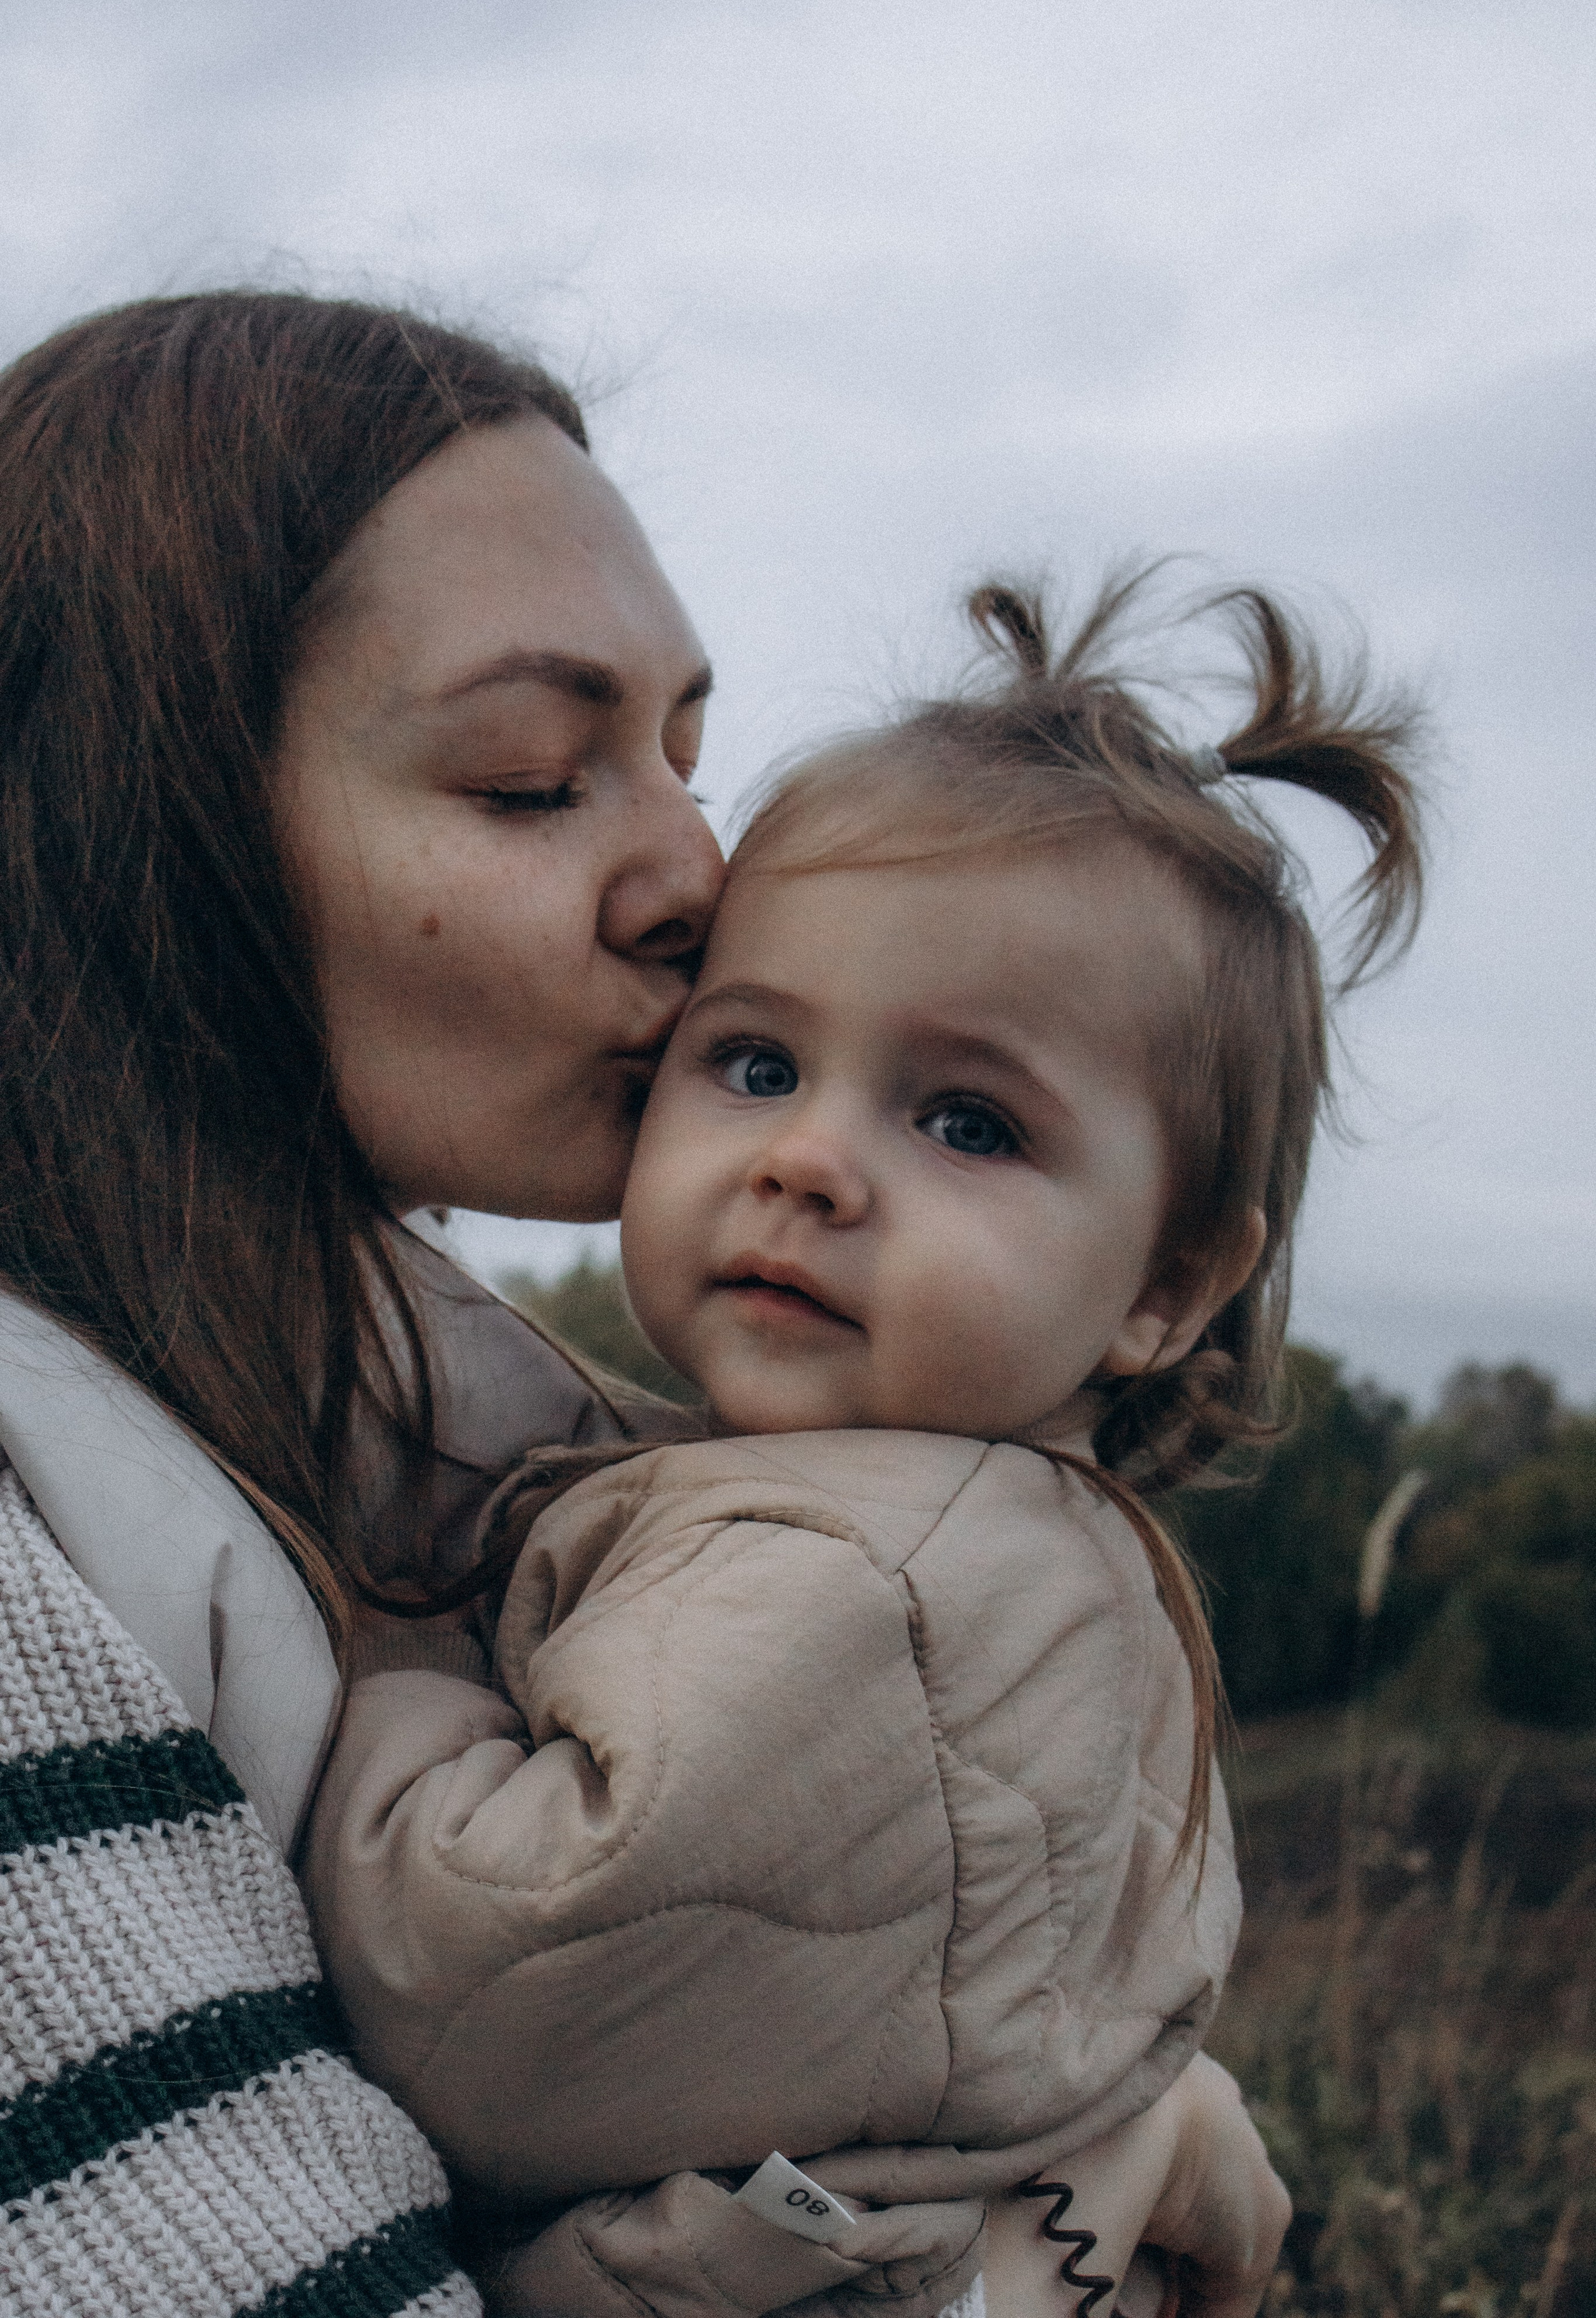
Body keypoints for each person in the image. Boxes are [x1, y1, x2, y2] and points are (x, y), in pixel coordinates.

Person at [0, 289, 1289, 2318]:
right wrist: (1049, 2224)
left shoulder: (477, 1426)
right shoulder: (39, 1547)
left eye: (682, 757)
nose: (700, 873)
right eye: (533, 780)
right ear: (141, 832)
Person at [308, 575, 1422, 2314]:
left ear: (1172, 1284)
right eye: (751, 1062)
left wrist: (384, 1664)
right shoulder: (951, 1530)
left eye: (967, 1119)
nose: (809, 1160)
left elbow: (486, 2005)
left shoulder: (871, 1581)